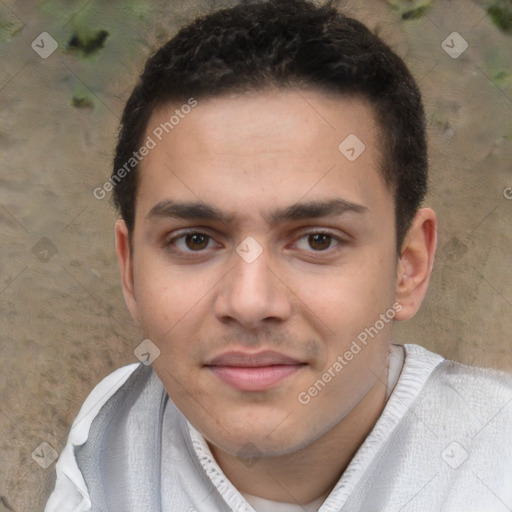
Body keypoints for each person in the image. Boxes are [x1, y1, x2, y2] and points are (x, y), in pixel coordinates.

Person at [45, 1, 512, 511]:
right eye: (195, 240)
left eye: (317, 240)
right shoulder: (108, 439)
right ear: (130, 269)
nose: (250, 302)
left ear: (409, 266)